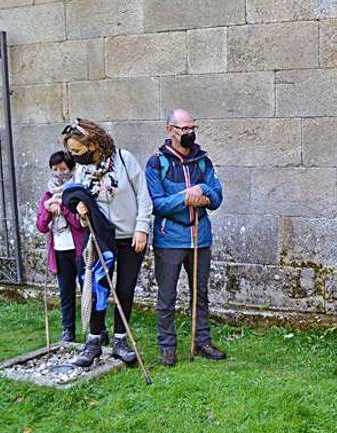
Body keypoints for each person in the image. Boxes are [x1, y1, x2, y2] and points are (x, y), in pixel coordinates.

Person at [60, 118, 153, 367]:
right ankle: (94, 341)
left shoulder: (124, 160)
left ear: (93, 143)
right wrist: (80, 210)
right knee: (98, 289)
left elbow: (143, 195)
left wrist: (142, 228)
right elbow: (80, 202)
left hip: (131, 237)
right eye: (72, 152)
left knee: (125, 289)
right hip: (101, 239)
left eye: (78, 151)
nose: (75, 157)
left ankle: (120, 341)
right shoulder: (82, 170)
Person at [145, 109, 225, 366]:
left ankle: (202, 341)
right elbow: (157, 204)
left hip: (200, 238)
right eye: (184, 129)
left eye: (193, 127)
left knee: (200, 294)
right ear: (170, 130)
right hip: (169, 240)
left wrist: (202, 190)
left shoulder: (203, 161)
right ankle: (167, 347)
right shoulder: (157, 163)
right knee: (166, 296)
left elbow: (217, 196)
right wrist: (185, 197)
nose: (190, 133)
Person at [35, 151, 85, 342]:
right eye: (55, 169)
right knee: (66, 293)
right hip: (60, 250)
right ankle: (68, 330)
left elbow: (80, 223)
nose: (58, 173)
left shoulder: (77, 192)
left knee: (88, 291)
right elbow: (41, 226)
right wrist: (48, 210)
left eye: (63, 169)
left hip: (79, 250)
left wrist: (63, 207)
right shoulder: (47, 195)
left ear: (71, 170)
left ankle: (96, 331)